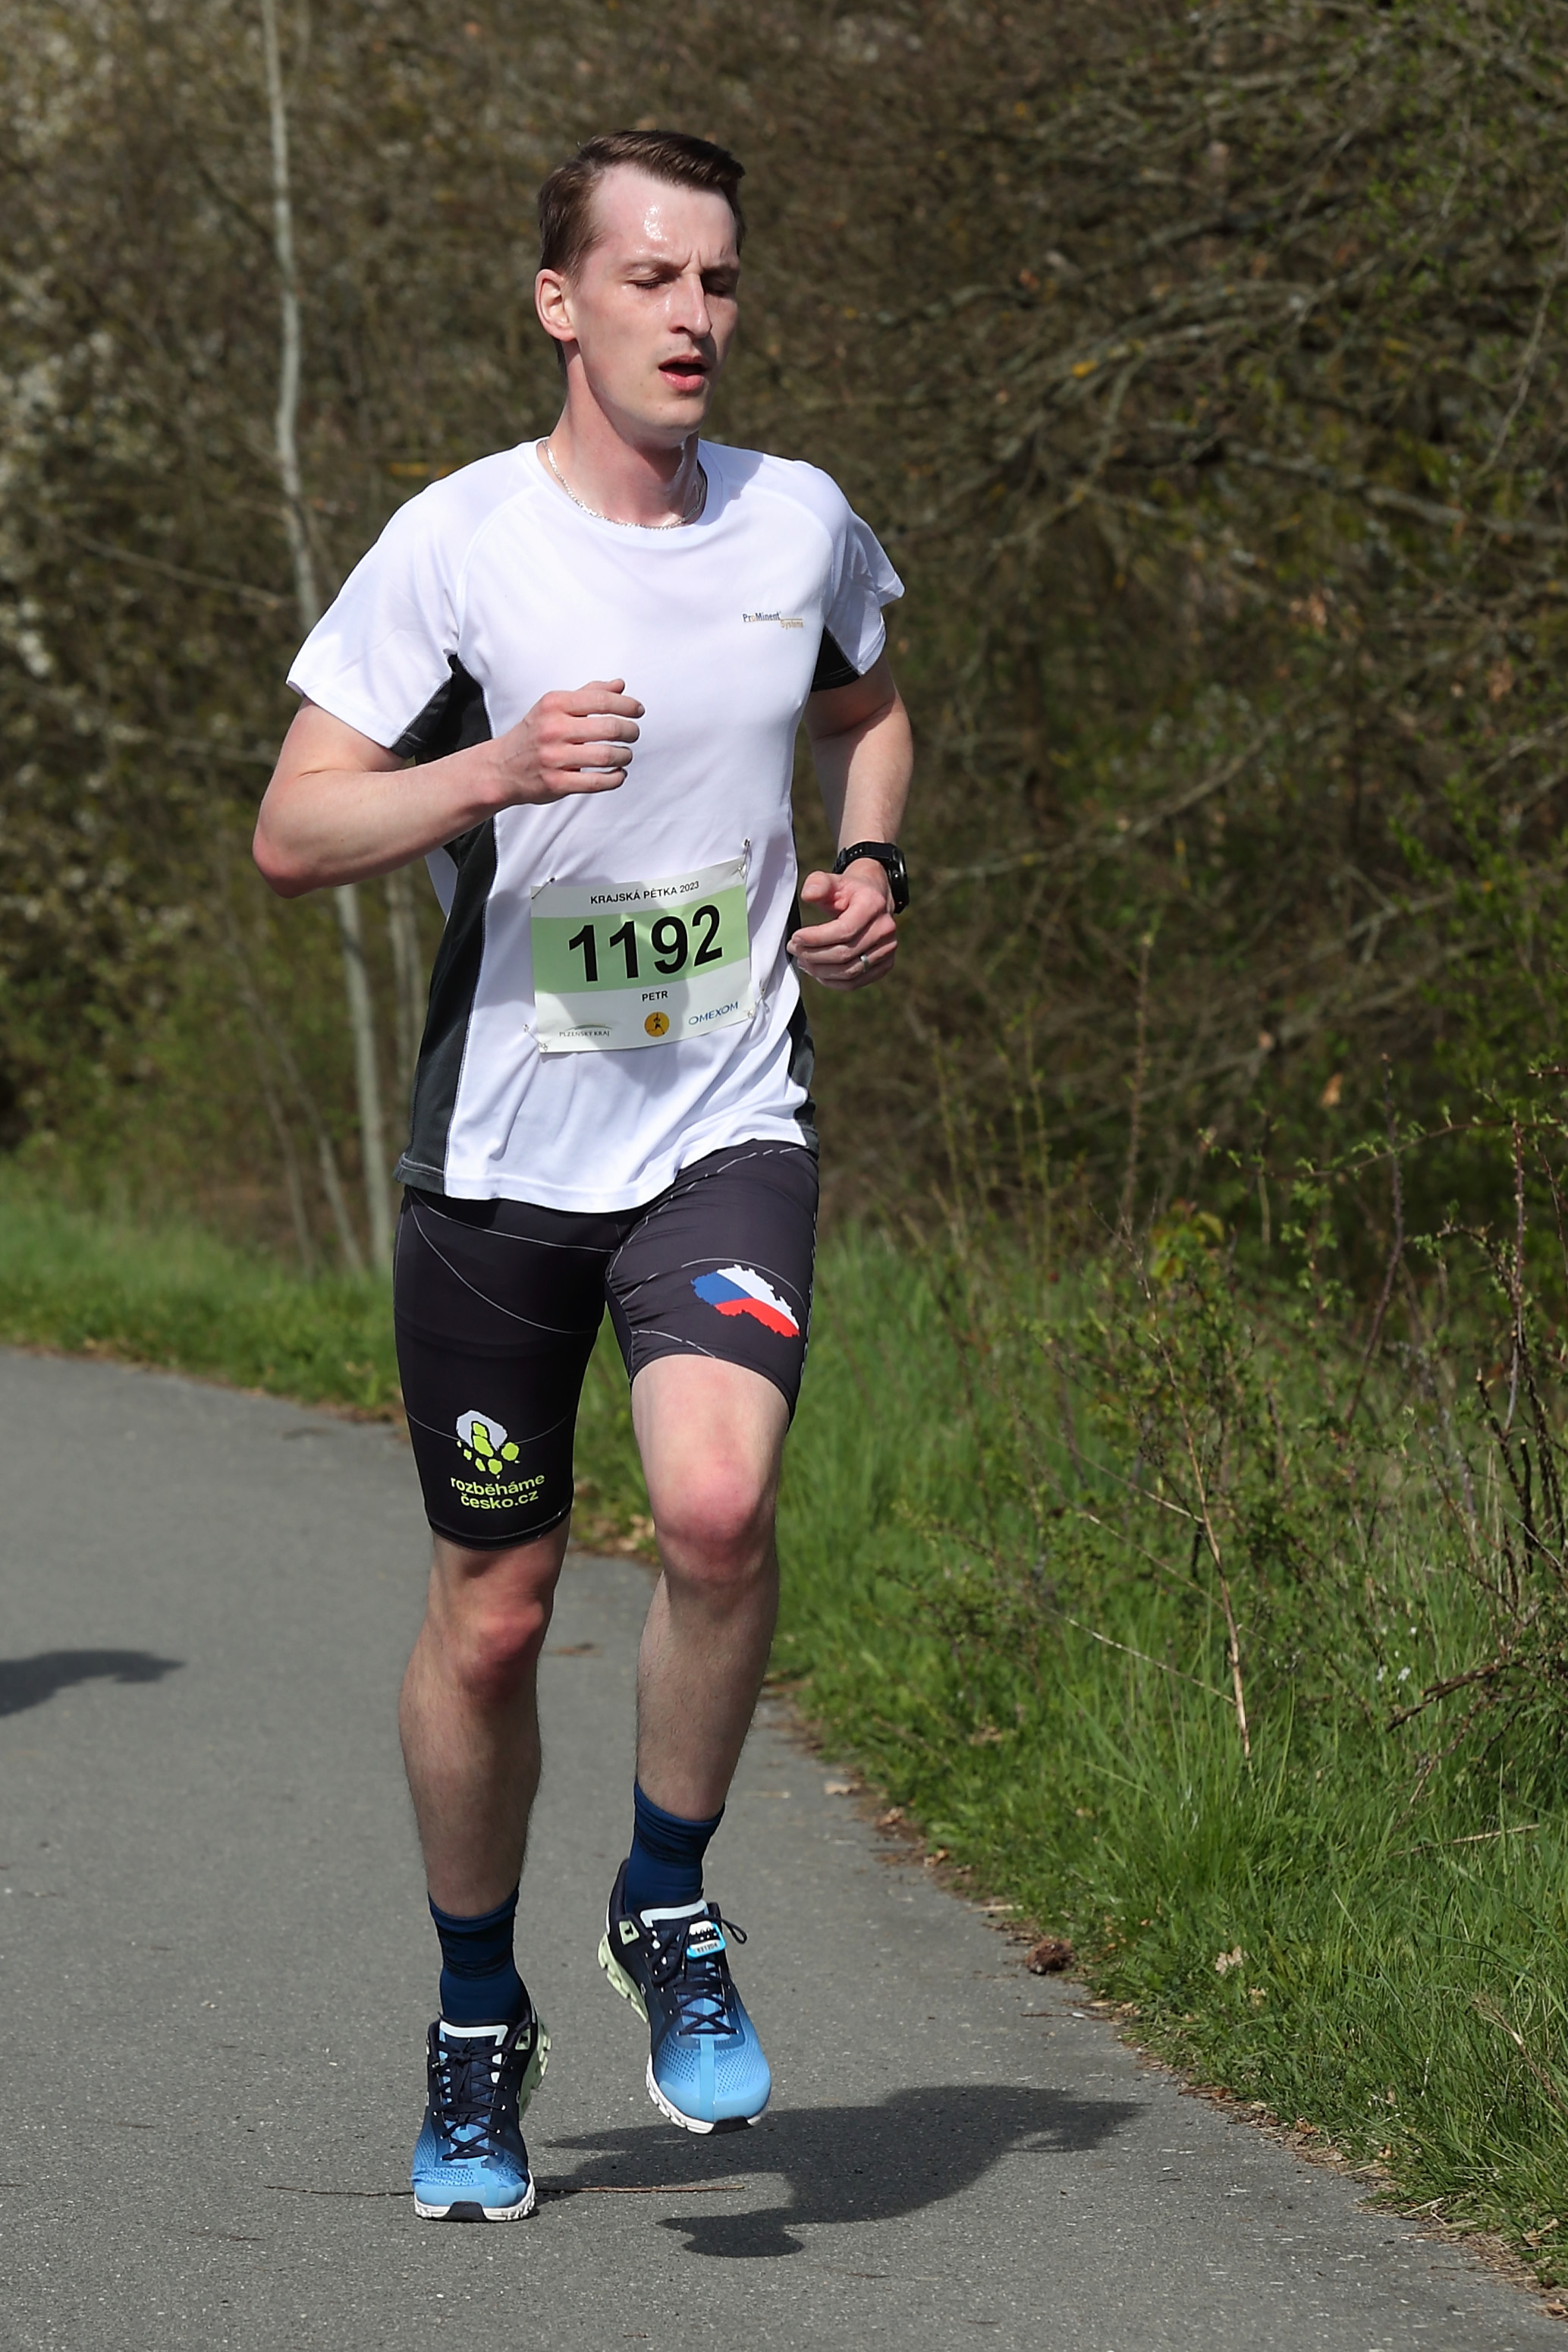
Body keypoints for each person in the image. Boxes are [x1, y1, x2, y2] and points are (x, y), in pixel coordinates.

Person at [253, 127, 913, 2224]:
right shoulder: (458, 546)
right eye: (648, 278)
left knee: (714, 1508)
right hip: (502, 1159)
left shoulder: (798, 519)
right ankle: (476, 2020)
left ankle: (666, 1894)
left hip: (723, 1119)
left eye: (717, 279)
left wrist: (870, 857)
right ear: (562, 304)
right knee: (496, 1611)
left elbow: (871, 709)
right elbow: (293, 829)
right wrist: (487, 769)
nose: (692, 316)